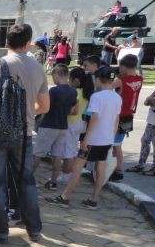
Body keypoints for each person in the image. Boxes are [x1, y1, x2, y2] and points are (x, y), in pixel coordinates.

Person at [0, 23, 49, 243]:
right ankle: (34, 228)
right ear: (28, 43)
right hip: (24, 133)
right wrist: (24, 113)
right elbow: (45, 106)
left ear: (6, 41)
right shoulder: (38, 68)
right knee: (26, 181)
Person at [46, 67, 120, 210]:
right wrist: (111, 138)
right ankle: (93, 200)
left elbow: (95, 119)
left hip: (93, 139)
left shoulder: (97, 97)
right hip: (107, 139)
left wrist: (86, 139)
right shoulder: (117, 97)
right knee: (100, 168)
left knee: (77, 168)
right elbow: (116, 120)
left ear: (98, 80)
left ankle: (65, 197)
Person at [34, 64, 77, 190]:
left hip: (49, 124)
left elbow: (45, 107)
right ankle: (53, 182)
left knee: (38, 153)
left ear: (57, 75)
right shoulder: (73, 91)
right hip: (63, 126)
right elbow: (72, 110)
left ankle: (27, 178)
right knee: (57, 155)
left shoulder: (54, 91)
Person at [109, 53, 143, 180]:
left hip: (119, 114)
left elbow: (107, 88)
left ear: (124, 66)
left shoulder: (121, 81)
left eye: (121, 67)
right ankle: (116, 169)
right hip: (129, 114)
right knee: (118, 143)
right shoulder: (139, 79)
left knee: (115, 144)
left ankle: (117, 170)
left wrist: (116, 77)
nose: (120, 69)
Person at [58, 67, 93, 184]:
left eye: (70, 79)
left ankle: (65, 177)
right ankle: (69, 175)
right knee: (72, 150)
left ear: (76, 80)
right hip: (79, 123)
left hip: (70, 123)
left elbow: (70, 109)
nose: (68, 81)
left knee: (68, 152)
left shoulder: (75, 92)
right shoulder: (85, 92)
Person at [127, 87, 155, 175]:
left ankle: (154, 169)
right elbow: (146, 102)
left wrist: (151, 100)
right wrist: (151, 98)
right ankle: (140, 165)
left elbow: (151, 101)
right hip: (151, 121)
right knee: (144, 141)